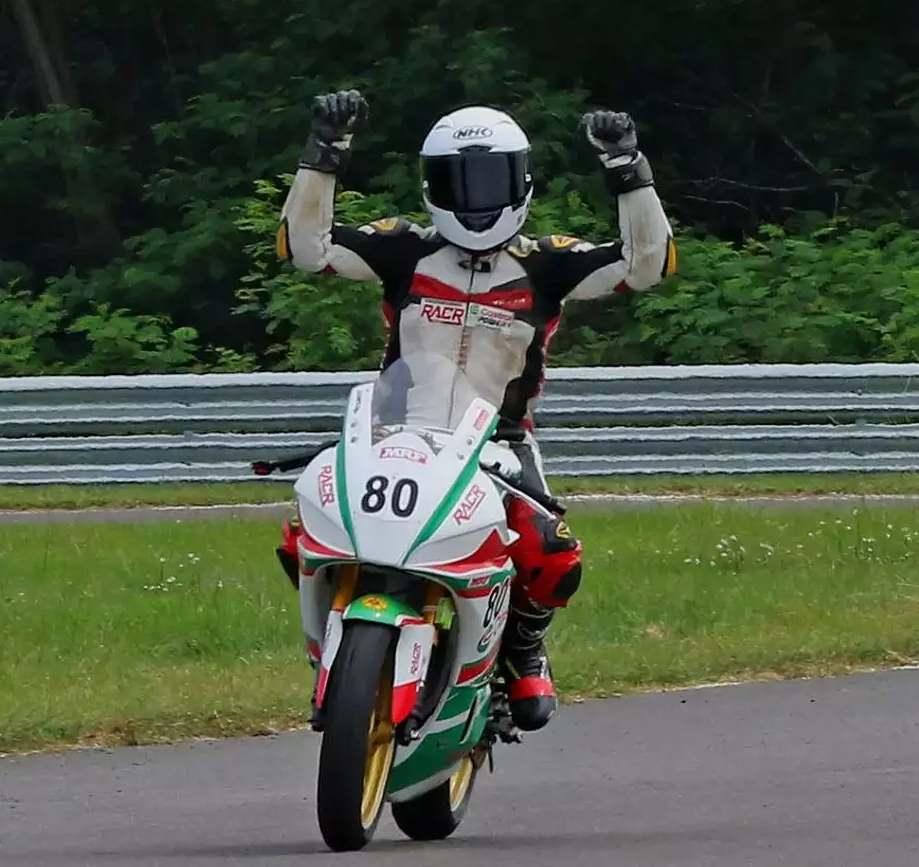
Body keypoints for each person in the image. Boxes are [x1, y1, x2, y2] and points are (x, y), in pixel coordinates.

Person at [273, 89, 678, 733]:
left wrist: (628, 168)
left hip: (500, 443)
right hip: (395, 432)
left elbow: (648, 265)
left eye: (491, 179)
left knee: (551, 552)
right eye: (459, 180)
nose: (476, 196)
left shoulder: (547, 264)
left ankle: (522, 648)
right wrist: (324, 153)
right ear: (432, 185)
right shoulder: (405, 249)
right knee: (307, 526)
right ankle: (340, 641)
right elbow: (305, 249)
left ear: (521, 181)